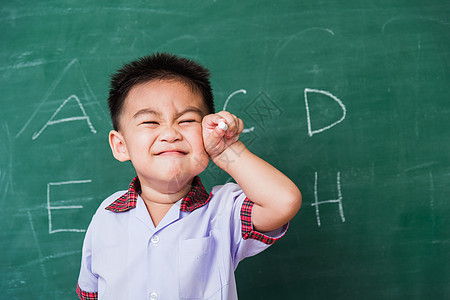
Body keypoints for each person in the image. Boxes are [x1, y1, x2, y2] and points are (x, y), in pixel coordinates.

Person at [76, 53, 301, 299]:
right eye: (151, 121)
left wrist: (226, 150)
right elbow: (91, 293)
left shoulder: (224, 211)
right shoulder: (106, 215)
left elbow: (283, 201)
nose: (170, 133)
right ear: (121, 145)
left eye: (187, 120)